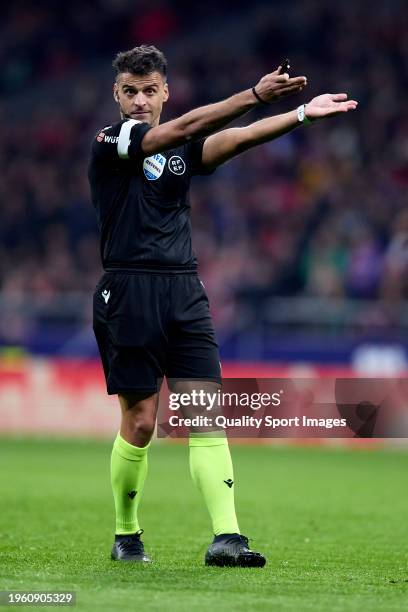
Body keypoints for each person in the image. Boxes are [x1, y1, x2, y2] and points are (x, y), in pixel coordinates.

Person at [88, 45, 357, 567]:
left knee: (204, 414)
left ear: (164, 91)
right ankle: (127, 533)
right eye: (130, 91)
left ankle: (226, 537)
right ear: (116, 95)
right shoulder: (111, 140)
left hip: (184, 291)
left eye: (149, 90)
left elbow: (231, 140)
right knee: (142, 422)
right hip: (128, 290)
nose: (140, 101)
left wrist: (298, 114)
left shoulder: (182, 149)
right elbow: (184, 128)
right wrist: (254, 94)